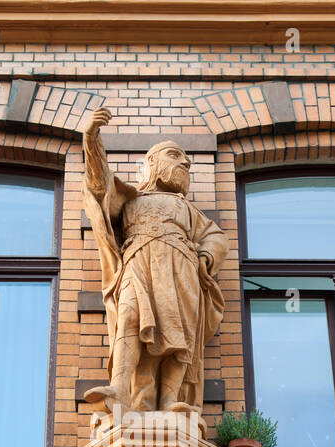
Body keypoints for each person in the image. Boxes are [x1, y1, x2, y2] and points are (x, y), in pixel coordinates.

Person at [82, 106, 228, 415]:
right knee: (130, 318)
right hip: (138, 263)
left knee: (181, 334)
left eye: (186, 160)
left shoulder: (189, 210)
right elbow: (99, 184)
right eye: (175, 156)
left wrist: (206, 255)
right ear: (152, 164)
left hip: (182, 269)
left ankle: (169, 401)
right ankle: (119, 390)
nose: (185, 162)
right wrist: (91, 139)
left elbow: (216, 237)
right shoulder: (131, 198)